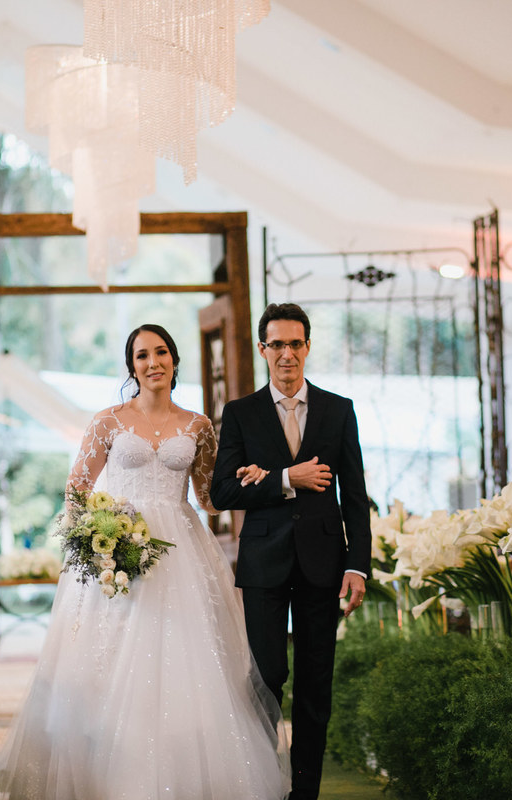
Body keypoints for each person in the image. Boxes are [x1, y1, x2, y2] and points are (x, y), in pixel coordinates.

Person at [0, 324, 289, 800]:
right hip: (117, 554)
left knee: (185, 665)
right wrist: (98, 541)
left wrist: (250, 480)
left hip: (181, 556)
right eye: (142, 355)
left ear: (174, 360)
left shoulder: (198, 426)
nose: (153, 362)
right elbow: (76, 490)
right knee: (108, 666)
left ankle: (179, 774)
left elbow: (208, 498)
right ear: (132, 366)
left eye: (161, 352)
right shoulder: (107, 422)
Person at [211, 302, 373, 800]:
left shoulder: (338, 409)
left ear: (307, 346)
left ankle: (305, 792)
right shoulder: (239, 414)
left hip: (324, 563)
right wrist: (286, 479)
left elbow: (354, 492)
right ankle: (263, 783)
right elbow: (222, 493)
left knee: (314, 683)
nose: (286, 354)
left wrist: (357, 565)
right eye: (276, 344)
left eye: (295, 343)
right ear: (263, 350)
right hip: (263, 564)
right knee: (266, 678)